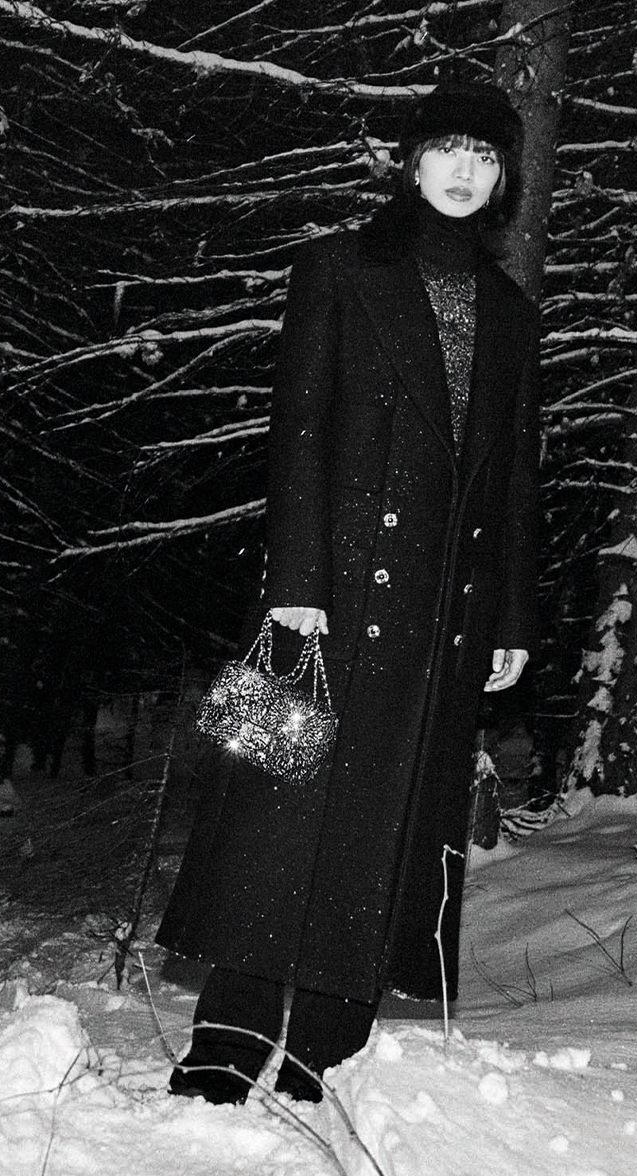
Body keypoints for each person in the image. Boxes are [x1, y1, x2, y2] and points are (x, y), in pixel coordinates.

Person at [157, 81, 541, 1104]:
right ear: (411, 163)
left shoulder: (511, 312)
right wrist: (296, 581)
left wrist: (510, 614)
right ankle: (225, 1045)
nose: (464, 171)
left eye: (486, 157)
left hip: (443, 614)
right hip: (328, 597)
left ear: (503, 178)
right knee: (274, 815)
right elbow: (299, 429)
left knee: (391, 828)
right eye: (447, 149)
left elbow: (514, 475)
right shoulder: (337, 268)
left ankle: (323, 1053)